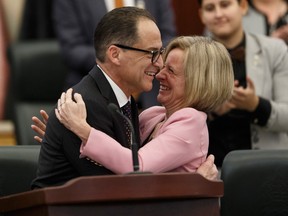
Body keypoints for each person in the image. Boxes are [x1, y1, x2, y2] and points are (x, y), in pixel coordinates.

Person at [31, 7, 218, 189]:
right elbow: (119, 187)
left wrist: (194, 184)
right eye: (152, 53)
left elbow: (132, 172)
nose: (159, 66)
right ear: (115, 54)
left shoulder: (123, 105)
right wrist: (193, 185)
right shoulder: (87, 105)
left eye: (160, 54)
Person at [54, 36, 234, 174]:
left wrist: (81, 129)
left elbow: (137, 166)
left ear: (198, 82)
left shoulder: (191, 123)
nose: (159, 75)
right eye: (163, 67)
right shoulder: (153, 115)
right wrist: (64, 135)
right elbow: (114, 142)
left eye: (170, 71)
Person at [198, 0, 288, 167]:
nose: (219, 14)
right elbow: (175, 121)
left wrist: (255, 104)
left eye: (225, 5)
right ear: (202, 15)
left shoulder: (276, 50)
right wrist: (212, 111)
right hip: (211, 170)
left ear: (243, 7)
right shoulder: (191, 57)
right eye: (210, 8)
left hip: (267, 169)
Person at [53, 0, 177, 109]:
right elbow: (72, 49)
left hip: (150, 97)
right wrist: (119, 61)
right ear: (114, 54)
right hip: (94, 97)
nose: (160, 63)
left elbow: (168, 40)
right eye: (152, 53)